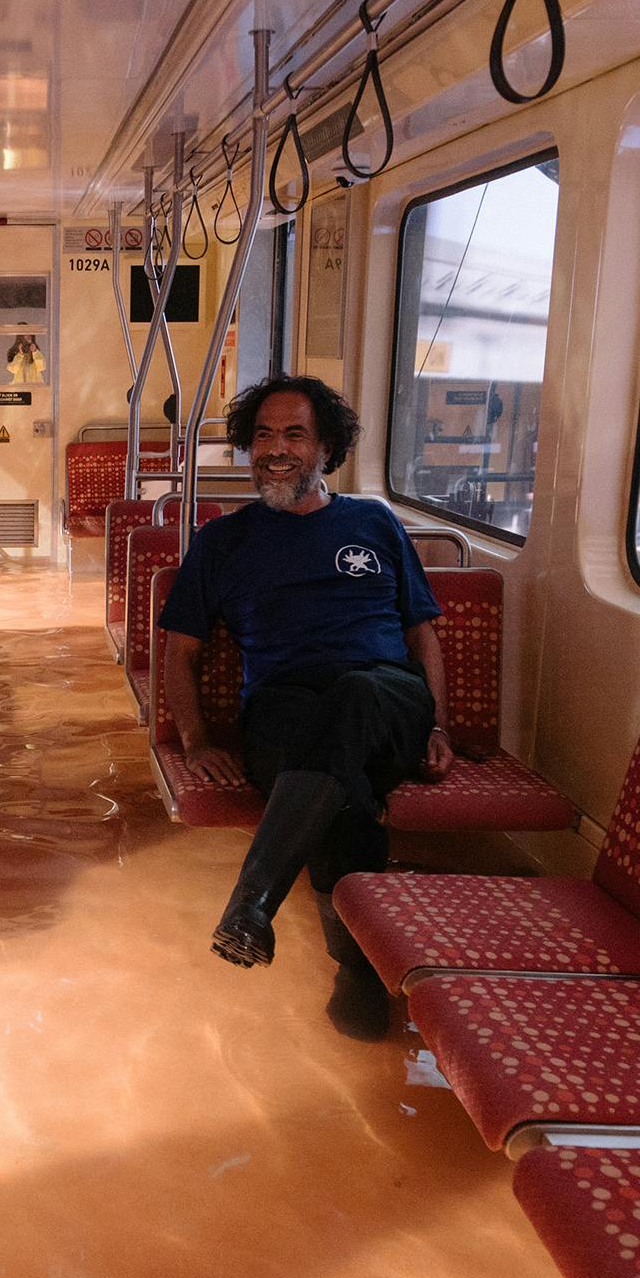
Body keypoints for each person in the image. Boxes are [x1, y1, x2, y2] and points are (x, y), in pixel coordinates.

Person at [159, 375, 453, 969]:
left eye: (295, 434)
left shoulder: (374, 523)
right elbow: (180, 653)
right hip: (282, 709)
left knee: (355, 692)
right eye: (263, 435)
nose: (275, 449)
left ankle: (252, 905)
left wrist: (438, 726)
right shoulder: (221, 542)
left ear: (326, 449)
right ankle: (359, 977)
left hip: (387, 701)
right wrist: (195, 742)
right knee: (342, 794)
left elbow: (421, 634)